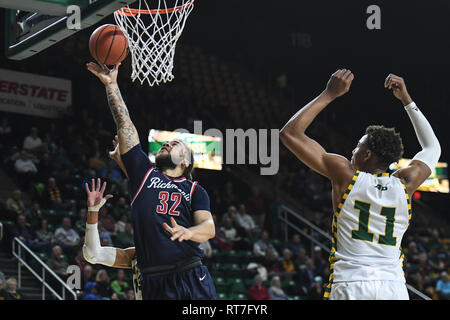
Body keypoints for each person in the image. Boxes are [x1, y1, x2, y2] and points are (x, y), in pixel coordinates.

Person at [280, 70, 441, 300]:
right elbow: (432, 148)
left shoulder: (345, 175)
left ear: (366, 155)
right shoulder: (405, 184)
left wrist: (329, 94)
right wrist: (407, 100)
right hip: (393, 288)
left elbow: (291, 133)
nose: (353, 151)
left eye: (357, 146)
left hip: (352, 285)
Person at [86, 61, 217, 300]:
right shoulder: (145, 174)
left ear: (185, 162)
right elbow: (125, 125)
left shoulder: (195, 190)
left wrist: (189, 232)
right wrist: (111, 84)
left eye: (175, 145)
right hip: (153, 281)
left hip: (189, 274)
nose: (167, 144)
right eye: (166, 143)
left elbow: (209, 228)